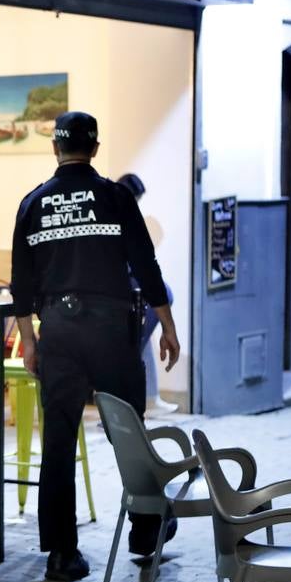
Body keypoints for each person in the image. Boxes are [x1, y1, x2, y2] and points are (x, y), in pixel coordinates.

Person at [10, 112, 181, 582]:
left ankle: (62, 554)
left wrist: (28, 341)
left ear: (55, 149)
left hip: (59, 332)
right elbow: (145, 266)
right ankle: (147, 529)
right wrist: (166, 325)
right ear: (96, 147)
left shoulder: (33, 204)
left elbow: (21, 286)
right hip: (111, 331)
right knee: (127, 432)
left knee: (60, 441)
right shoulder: (115, 196)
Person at [116, 173, 179, 417]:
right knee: (135, 344)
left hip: (135, 294)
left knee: (139, 342)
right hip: (128, 295)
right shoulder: (119, 218)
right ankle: (141, 399)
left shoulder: (121, 216)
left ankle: (150, 398)